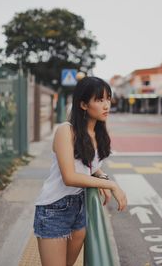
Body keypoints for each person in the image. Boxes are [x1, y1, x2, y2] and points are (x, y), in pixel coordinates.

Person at [33, 76, 127, 266]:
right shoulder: (65, 131)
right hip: (54, 209)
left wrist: (101, 175)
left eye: (108, 98)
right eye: (99, 100)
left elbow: (91, 165)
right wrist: (110, 184)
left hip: (79, 207)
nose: (106, 105)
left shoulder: (97, 133)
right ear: (83, 104)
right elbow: (70, 177)